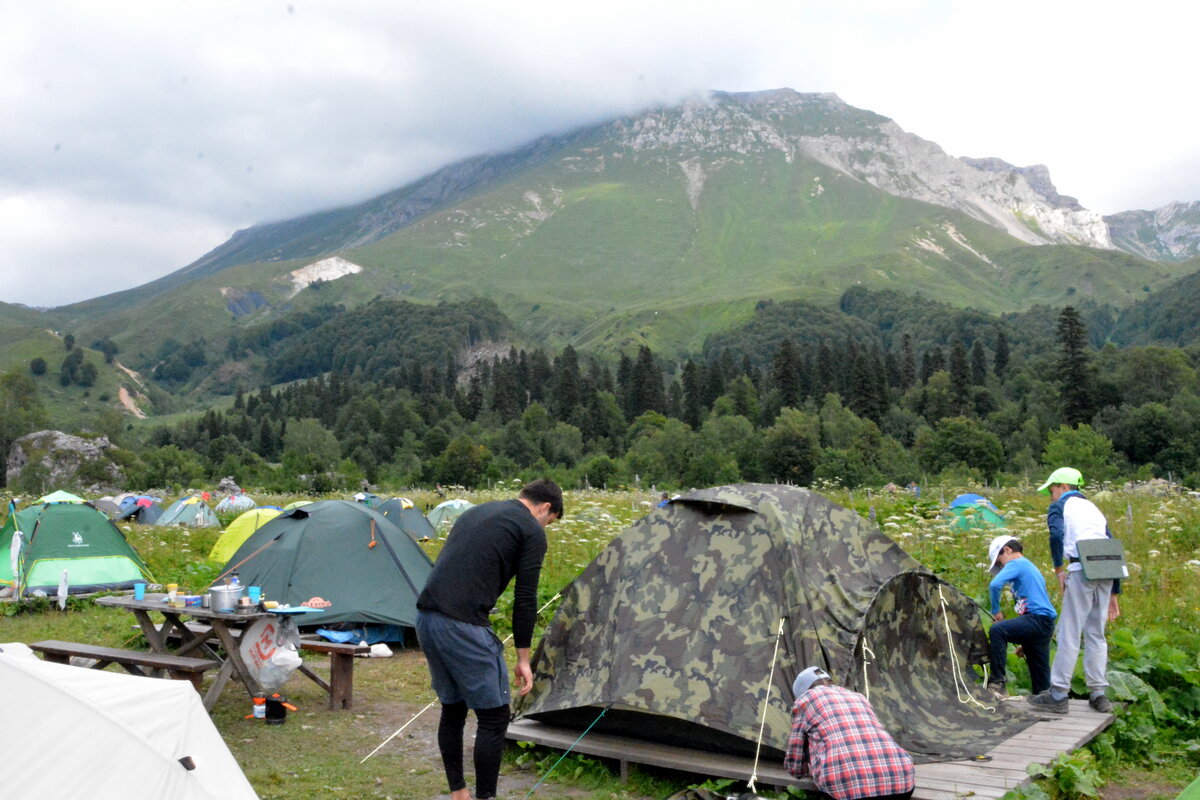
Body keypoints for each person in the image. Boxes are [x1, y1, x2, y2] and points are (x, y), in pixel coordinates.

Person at [415, 479, 564, 800]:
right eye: (549, 522)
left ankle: (459, 793)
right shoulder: (531, 530)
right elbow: (525, 599)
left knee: (453, 708)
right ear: (546, 508)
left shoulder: (477, 512)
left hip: (426, 618)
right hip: (463, 626)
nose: (546, 527)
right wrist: (524, 660)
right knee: (495, 717)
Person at [1027, 467, 1120, 715]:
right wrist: (1114, 592)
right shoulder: (1093, 509)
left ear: (1064, 487)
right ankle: (1098, 693)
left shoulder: (1061, 507)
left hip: (1081, 568)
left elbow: (1056, 535)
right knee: (1096, 633)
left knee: (1069, 630)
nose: (1050, 495)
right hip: (1106, 569)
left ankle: (1058, 694)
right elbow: (1110, 542)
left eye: (1052, 489)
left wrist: (1059, 569)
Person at [785, 666, 915, 800]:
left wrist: (798, 770)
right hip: (902, 781)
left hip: (848, 787)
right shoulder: (858, 696)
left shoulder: (805, 700)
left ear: (802, 692)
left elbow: (796, 751)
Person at [985, 536, 1057, 698]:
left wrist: (996, 611)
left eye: (999, 562)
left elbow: (995, 585)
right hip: (1044, 622)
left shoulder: (1016, 563)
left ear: (1007, 550)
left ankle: (997, 683)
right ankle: (1045, 698)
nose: (1001, 566)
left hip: (1036, 618)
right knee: (1039, 668)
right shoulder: (1029, 567)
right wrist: (1026, 640)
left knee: (998, 630)